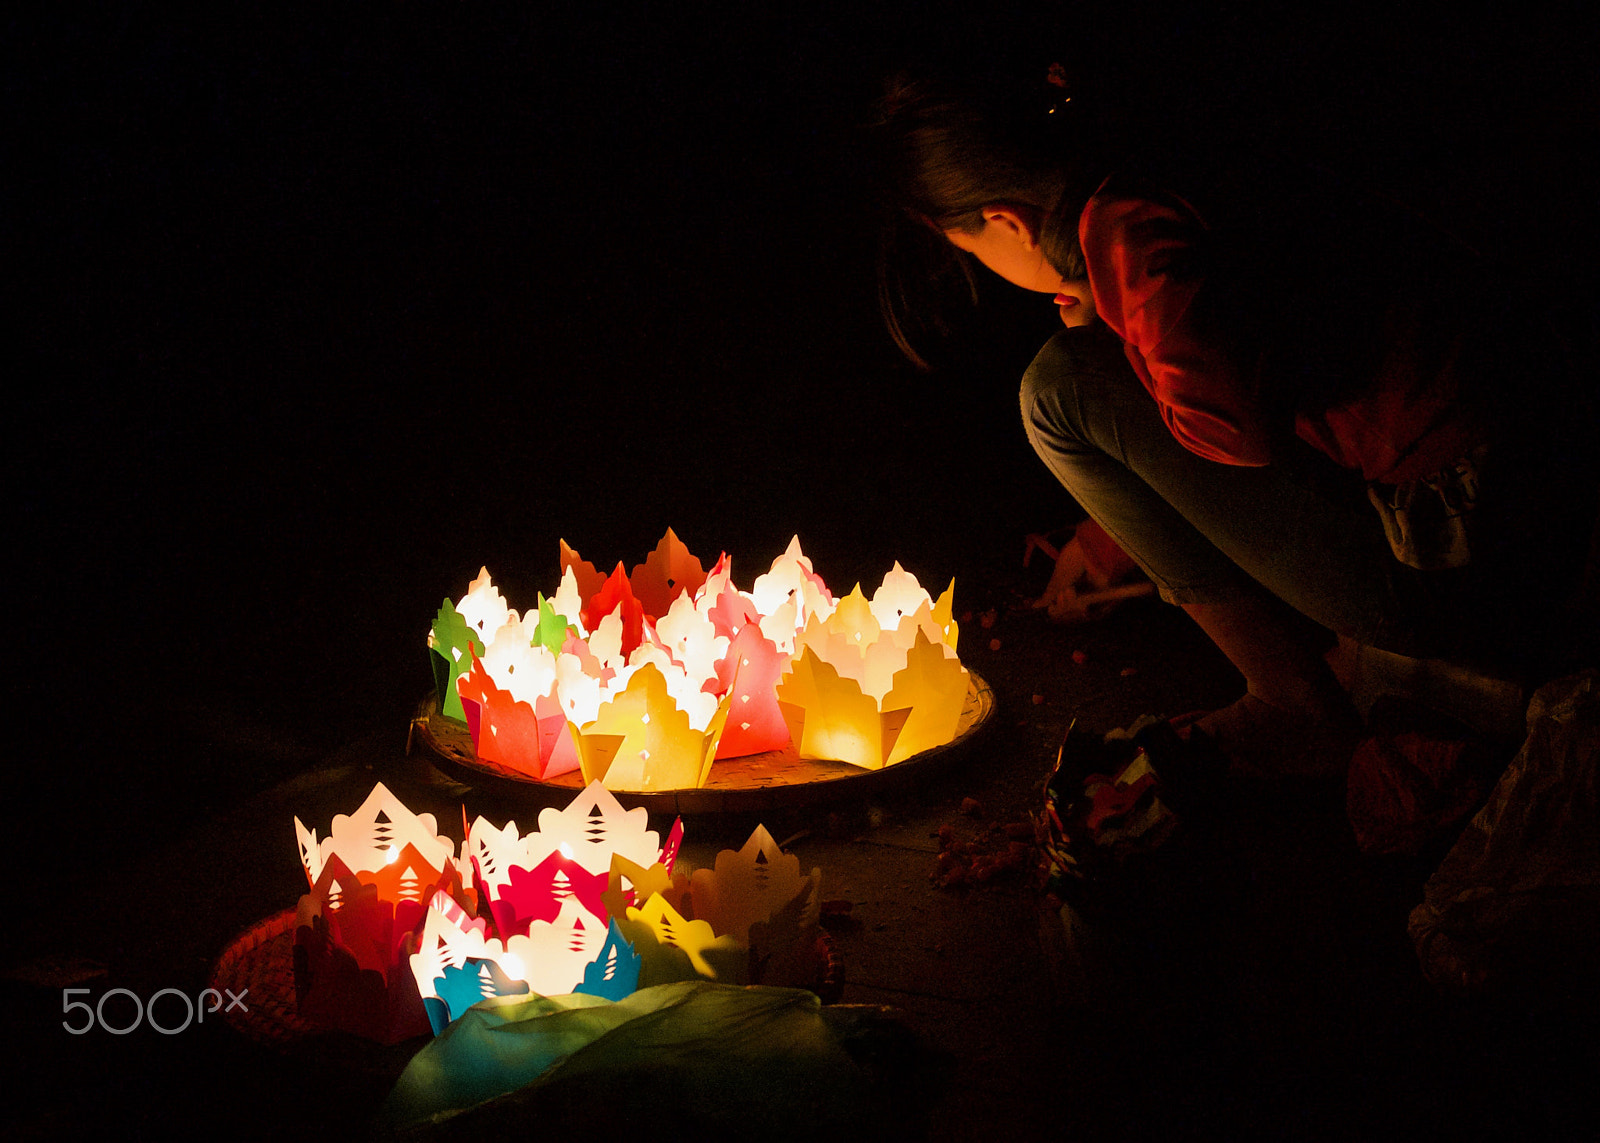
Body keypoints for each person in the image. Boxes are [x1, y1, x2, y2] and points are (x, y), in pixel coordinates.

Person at [873, 66, 1597, 775]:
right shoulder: (1157, 153)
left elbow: (1228, 438)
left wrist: (1123, 323)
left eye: (970, 249)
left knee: (1057, 392)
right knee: (1079, 375)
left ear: (1005, 221)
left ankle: (1295, 703)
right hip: (1541, 482)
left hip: (1485, 568)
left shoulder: (1138, 247)